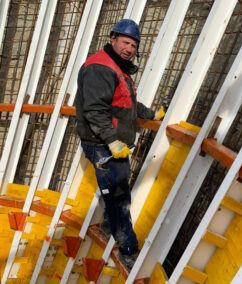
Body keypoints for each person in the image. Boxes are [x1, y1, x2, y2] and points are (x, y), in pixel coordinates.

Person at [75, 19, 164, 271]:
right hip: (102, 145)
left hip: (112, 144)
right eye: (125, 42)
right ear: (112, 39)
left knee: (116, 192)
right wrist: (112, 141)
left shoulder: (116, 67)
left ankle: (106, 225)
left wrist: (152, 114)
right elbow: (94, 110)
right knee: (118, 199)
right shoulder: (100, 68)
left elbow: (125, 104)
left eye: (134, 45)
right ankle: (128, 251)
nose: (129, 48)